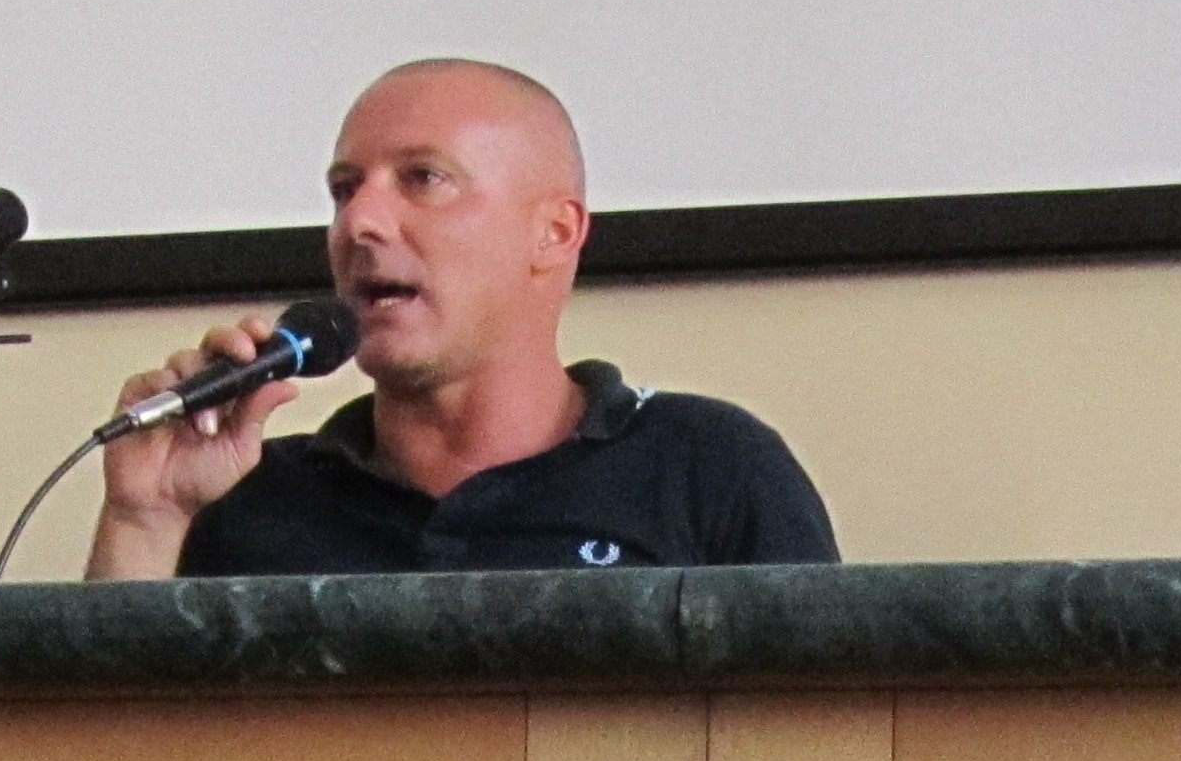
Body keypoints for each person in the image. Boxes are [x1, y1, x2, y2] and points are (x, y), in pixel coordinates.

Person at [82, 59, 835, 578]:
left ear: (555, 234)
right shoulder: (246, 496)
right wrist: (147, 519)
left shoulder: (707, 468)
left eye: (424, 179)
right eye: (345, 189)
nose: (360, 222)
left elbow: (814, 750)